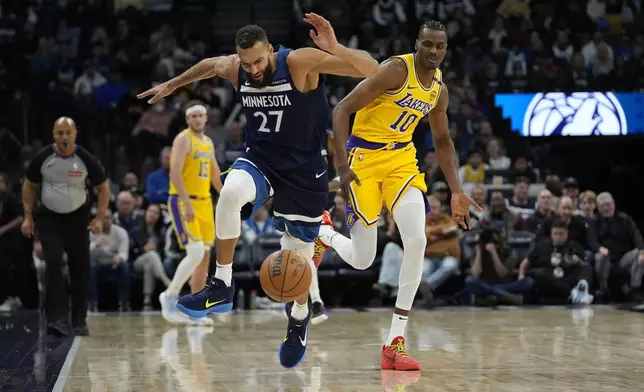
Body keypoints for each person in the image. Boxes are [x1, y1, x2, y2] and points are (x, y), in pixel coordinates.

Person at [137, 14, 379, 368]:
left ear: (271, 49)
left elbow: (371, 69)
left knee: (296, 259)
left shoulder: (298, 62)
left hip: (303, 171)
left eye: (259, 61)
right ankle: (221, 284)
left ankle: (298, 320)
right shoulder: (239, 68)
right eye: (246, 63)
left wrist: (336, 48)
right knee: (231, 192)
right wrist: (174, 84)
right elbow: (210, 66)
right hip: (261, 159)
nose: (252, 69)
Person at [317, 21, 481, 371]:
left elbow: (442, 141)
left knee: (417, 240)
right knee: (363, 258)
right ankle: (325, 233)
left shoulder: (439, 90)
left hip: (401, 160)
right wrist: (342, 166)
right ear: (417, 44)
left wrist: (455, 191)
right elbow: (341, 110)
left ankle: (395, 341)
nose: (434, 51)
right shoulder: (394, 70)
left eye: (441, 46)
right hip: (362, 158)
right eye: (428, 44)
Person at [21, 117, 109, 336]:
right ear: (53, 134)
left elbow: (103, 187)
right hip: (50, 219)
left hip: (78, 219)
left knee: (80, 268)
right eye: (59, 133)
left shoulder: (85, 158)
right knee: (53, 265)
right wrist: (27, 217)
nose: (64, 137)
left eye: (68, 133)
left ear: (75, 134)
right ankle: (56, 319)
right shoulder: (43, 157)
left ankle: (79, 320)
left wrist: (99, 217)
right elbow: (29, 184)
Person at [156, 101, 223, 325]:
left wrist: (229, 197)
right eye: (192, 116)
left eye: (200, 115)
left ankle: (195, 309)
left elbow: (215, 177)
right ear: (187, 120)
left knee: (204, 258)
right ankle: (170, 295)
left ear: (206, 118)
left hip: (205, 203)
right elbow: (174, 173)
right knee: (194, 253)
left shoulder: (209, 143)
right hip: (184, 201)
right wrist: (187, 202)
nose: (197, 119)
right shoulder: (183, 139)